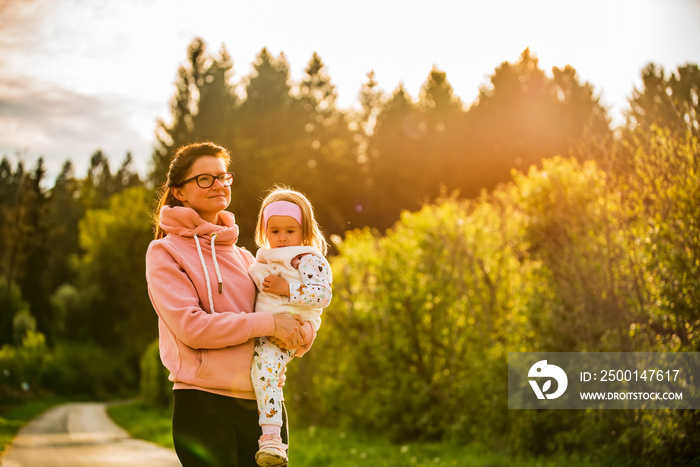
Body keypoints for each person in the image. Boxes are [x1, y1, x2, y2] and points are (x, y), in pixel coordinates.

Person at [145, 142, 315, 467]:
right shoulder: (164, 252)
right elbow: (192, 328)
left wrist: (302, 332)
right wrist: (271, 324)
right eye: (205, 179)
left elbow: (285, 313)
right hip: (204, 404)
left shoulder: (246, 257)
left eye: (223, 177)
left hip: (266, 409)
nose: (219, 185)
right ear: (179, 192)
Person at [247, 187, 332, 467]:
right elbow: (256, 275)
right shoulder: (264, 257)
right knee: (262, 376)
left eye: (290, 231)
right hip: (265, 327)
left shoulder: (308, 258)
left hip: (292, 323)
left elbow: (323, 295)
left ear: (304, 232)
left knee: (266, 375)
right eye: (274, 232)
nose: (282, 238)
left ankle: (272, 440)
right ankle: (269, 438)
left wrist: (288, 288)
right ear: (264, 231)